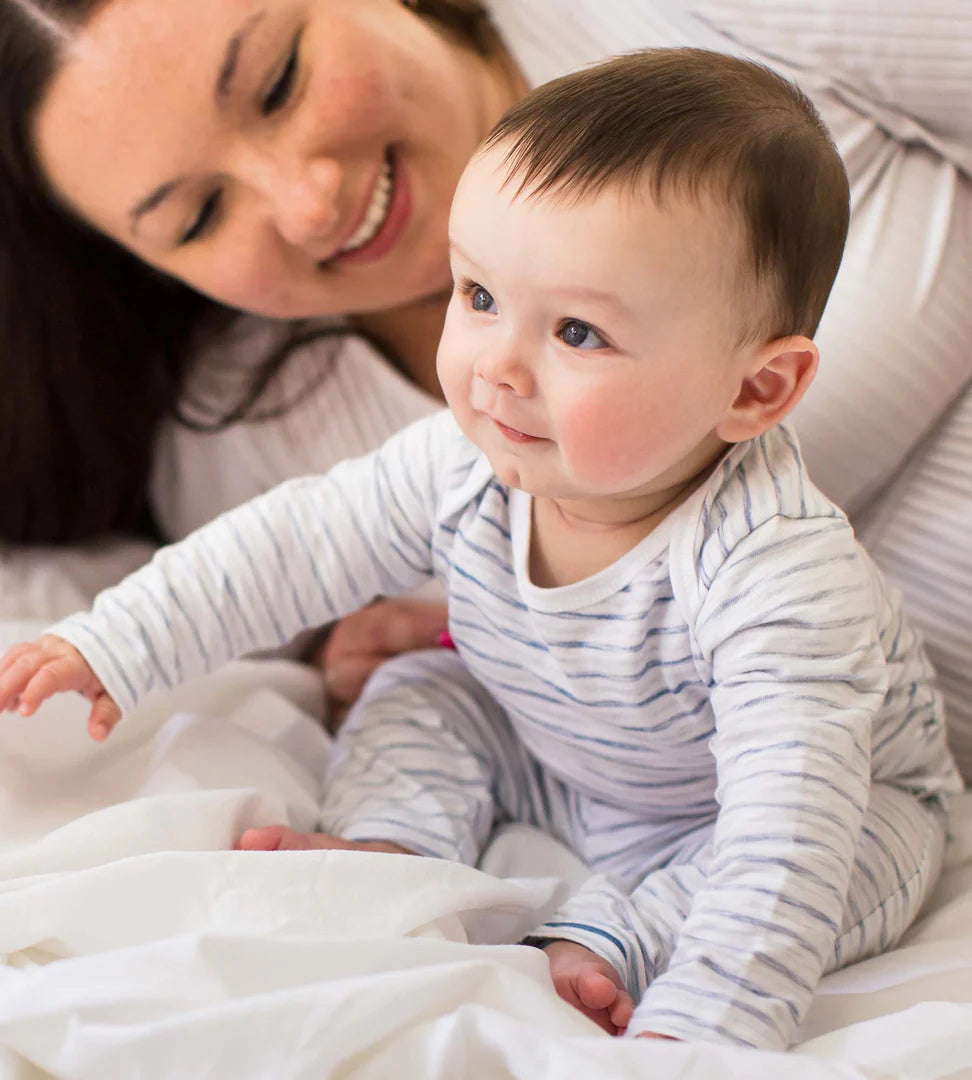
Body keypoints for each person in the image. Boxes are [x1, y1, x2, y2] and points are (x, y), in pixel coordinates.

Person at [0, 50, 962, 1050]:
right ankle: (387, 845)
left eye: (579, 332)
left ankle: (616, 939)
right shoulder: (464, 465)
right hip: (571, 760)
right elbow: (289, 545)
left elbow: (782, 834)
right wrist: (115, 640)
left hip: (818, 797)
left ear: (755, 391)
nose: (495, 368)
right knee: (424, 687)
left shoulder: (777, 577)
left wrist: (710, 1028)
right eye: (480, 296)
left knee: (843, 854)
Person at [2, 1, 970, 738]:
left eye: (280, 81)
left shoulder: (690, 21)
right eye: (198, 218)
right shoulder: (245, 439)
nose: (308, 204)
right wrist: (457, 651)